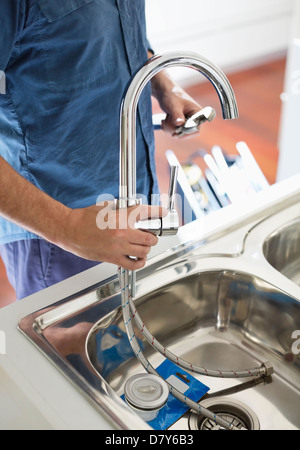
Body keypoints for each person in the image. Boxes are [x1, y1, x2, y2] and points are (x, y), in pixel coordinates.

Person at [0, 0, 201, 300]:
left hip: (137, 200)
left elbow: (117, 34)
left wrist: (163, 84)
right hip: (61, 232)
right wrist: (68, 227)